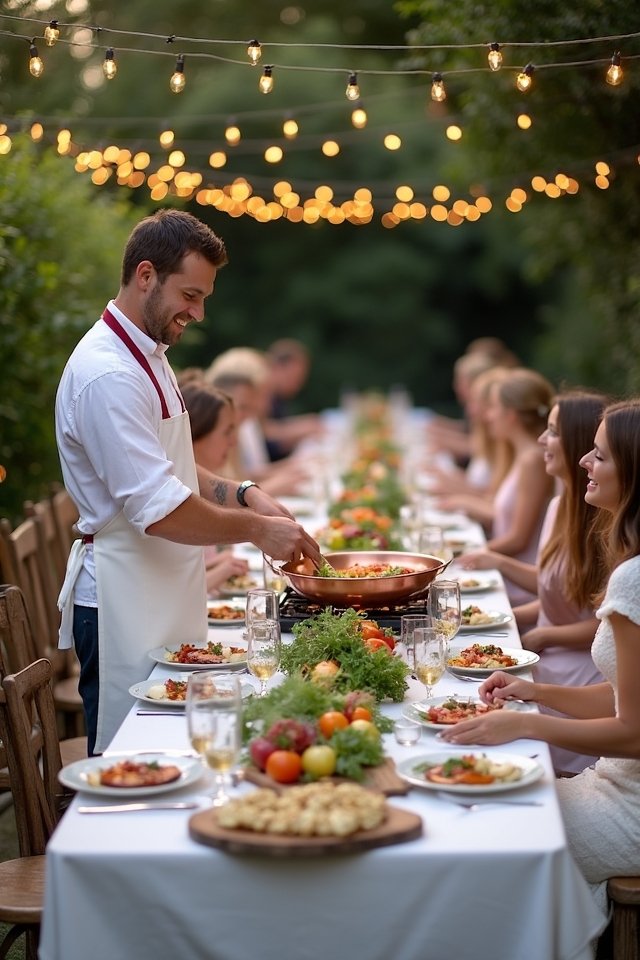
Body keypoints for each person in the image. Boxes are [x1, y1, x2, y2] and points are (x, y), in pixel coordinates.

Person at [55, 209, 320, 754]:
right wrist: (256, 530)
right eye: (190, 295)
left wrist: (243, 493)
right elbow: (160, 508)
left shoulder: (150, 356)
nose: (197, 313)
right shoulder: (109, 374)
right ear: (146, 275)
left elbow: (172, 466)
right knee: (133, 763)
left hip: (160, 589)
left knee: (178, 749)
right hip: (122, 601)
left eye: (203, 298)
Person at [438, 398, 640, 915]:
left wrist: (526, 726)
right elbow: (622, 699)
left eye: (600, 456)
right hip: (612, 782)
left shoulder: (632, 580)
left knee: (481, 826)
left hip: (629, 807)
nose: (583, 463)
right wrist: (536, 693)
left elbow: (633, 732)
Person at [460, 390, 609, 774]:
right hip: (547, 662)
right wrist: (503, 617)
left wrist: (541, 636)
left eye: (554, 432)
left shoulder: (600, 524)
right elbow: (553, 590)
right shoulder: (559, 507)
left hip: (578, 675)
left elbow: (601, 618)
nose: (543, 440)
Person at [441, 367, 555, 605]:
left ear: (511, 415)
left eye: (493, 408)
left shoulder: (532, 460)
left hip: (518, 587)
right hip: (505, 577)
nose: (487, 416)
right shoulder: (522, 455)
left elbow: (518, 539)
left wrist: (456, 557)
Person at [179, 376, 251, 596]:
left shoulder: (197, 485)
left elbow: (186, 571)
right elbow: (173, 593)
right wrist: (224, 570)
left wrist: (215, 564)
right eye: (227, 431)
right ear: (196, 434)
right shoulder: (177, 496)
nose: (234, 442)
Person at [264, 338, 322, 461]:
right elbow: (261, 429)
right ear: (277, 367)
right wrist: (301, 427)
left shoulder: (279, 398)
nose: (298, 384)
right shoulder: (263, 396)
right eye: (294, 377)